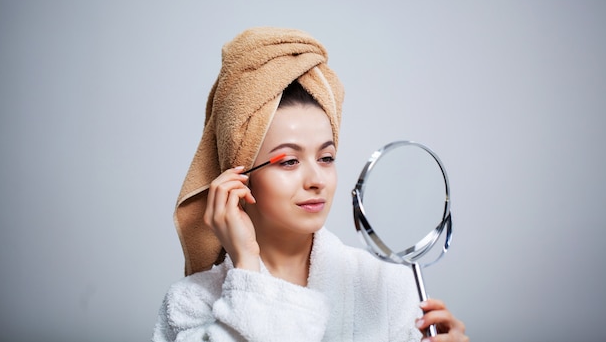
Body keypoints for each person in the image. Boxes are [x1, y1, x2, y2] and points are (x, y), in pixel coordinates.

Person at [152, 27, 468, 342]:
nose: (316, 180)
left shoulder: (386, 285)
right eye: (289, 161)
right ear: (239, 179)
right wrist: (247, 266)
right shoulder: (189, 303)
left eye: (326, 158)